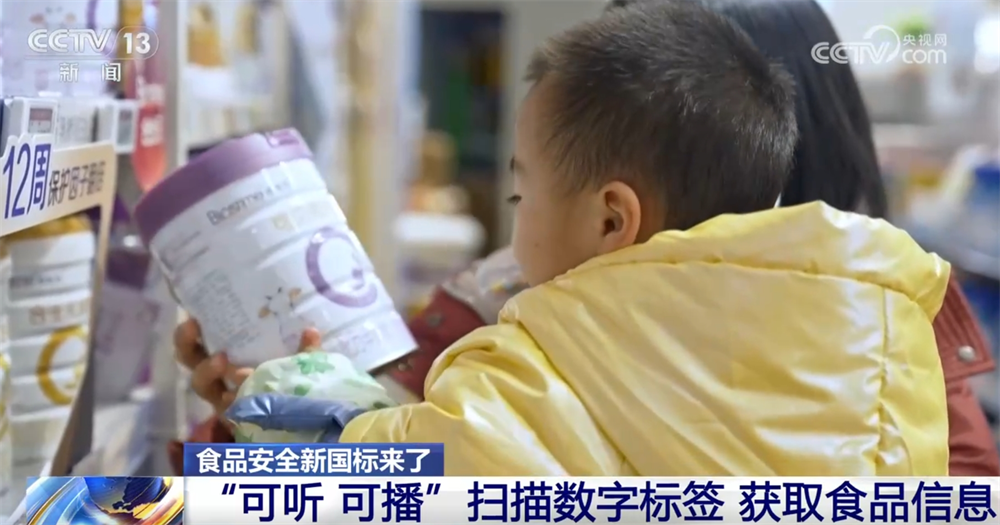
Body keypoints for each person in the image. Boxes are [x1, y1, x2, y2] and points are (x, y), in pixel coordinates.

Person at [176, 0, 999, 473]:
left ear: (611, 219)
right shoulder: (886, 322)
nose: (515, 224)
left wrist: (282, 408)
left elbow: (406, 455)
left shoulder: (534, 344)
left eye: (520, 192)